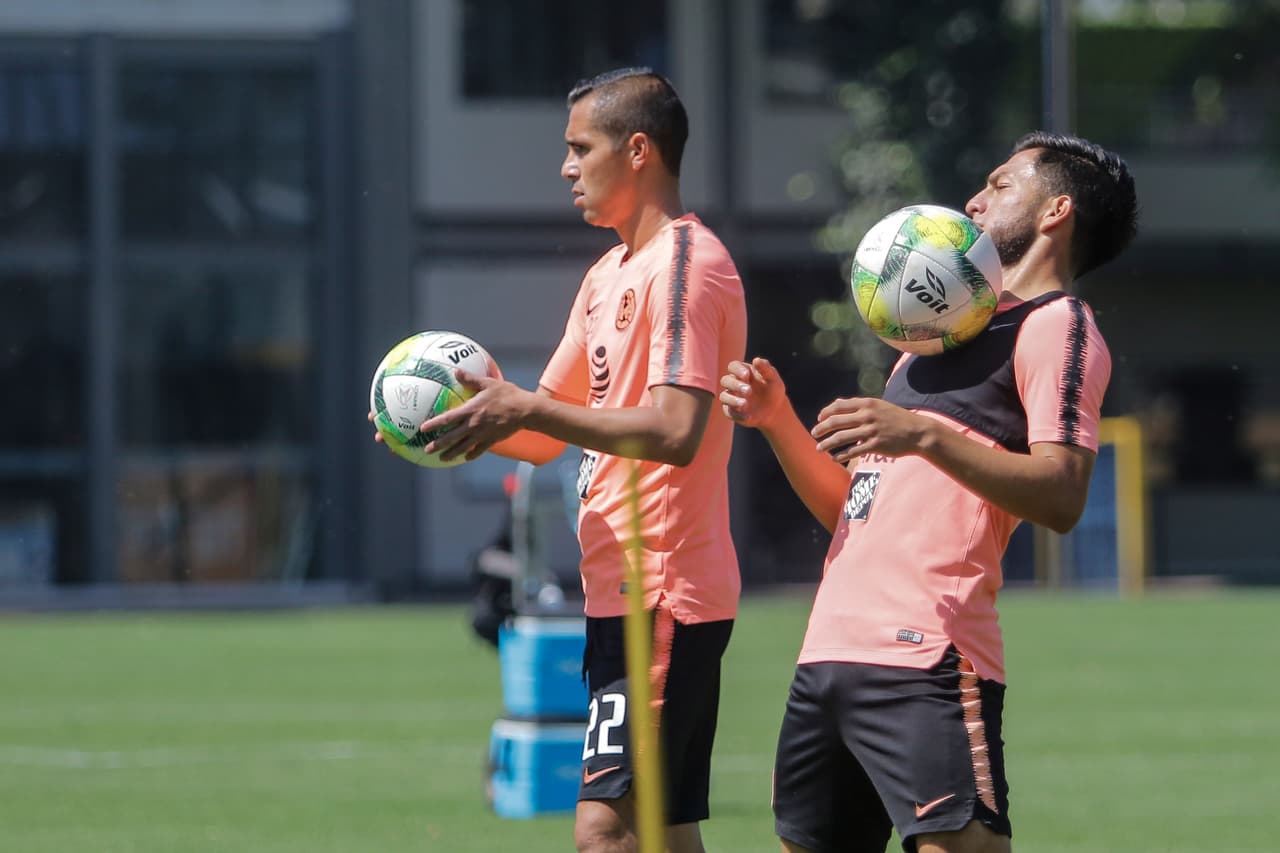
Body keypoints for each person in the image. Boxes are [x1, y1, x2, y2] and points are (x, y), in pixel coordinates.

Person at [719, 131, 1138, 853]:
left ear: (1056, 211)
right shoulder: (930, 336)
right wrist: (776, 420)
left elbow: (1064, 495)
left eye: (1002, 184)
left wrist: (921, 435)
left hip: (928, 658)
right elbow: (851, 514)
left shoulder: (1057, 326)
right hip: (827, 657)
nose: (976, 199)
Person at [392, 67, 747, 853]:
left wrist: (526, 406)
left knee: (605, 831)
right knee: (663, 829)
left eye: (579, 148)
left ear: (639, 150)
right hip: (618, 592)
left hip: (665, 587)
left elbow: (677, 427)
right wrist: (437, 422)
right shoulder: (605, 275)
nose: (566, 167)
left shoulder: (688, 264)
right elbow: (544, 430)